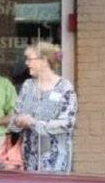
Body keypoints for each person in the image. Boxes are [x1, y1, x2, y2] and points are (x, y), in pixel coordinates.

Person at [10, 42, 77, 173]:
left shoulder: (64, 87)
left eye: (30, 59)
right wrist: (19, 120)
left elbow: (67, 123)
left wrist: (33, 123)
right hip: (28, 158)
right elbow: (15, 116)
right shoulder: (27, 85)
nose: (26, 63)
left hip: (56, 159)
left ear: (44, 61)